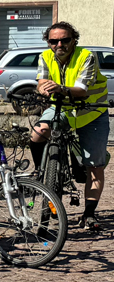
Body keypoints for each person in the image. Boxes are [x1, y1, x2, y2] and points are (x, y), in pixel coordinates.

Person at [28, 21, 108, 226]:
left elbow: (81, 89)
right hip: (62, 109)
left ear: (74, 40)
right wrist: (42, 90)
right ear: (48, 42)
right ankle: (41, 171)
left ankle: (89, 213)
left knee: (94, 166)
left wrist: (60, 88)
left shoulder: (86, 56)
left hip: (91, 112)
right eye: (54, 41)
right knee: (37, 133)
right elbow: (41, 82)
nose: (59, 45)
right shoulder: (45, 57)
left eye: (65, 40)